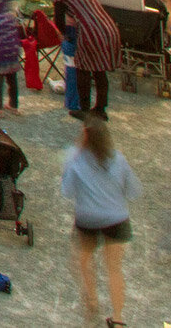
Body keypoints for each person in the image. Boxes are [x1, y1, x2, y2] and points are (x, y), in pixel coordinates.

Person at [61, 118, 138, 328]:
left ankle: (92, 300)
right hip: (117, 219)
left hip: (88, 220)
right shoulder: (118, 159)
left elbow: (66, 191)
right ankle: (118, 318)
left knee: (84, 258)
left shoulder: (76, 160)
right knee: (114, 269)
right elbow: (133, 191)